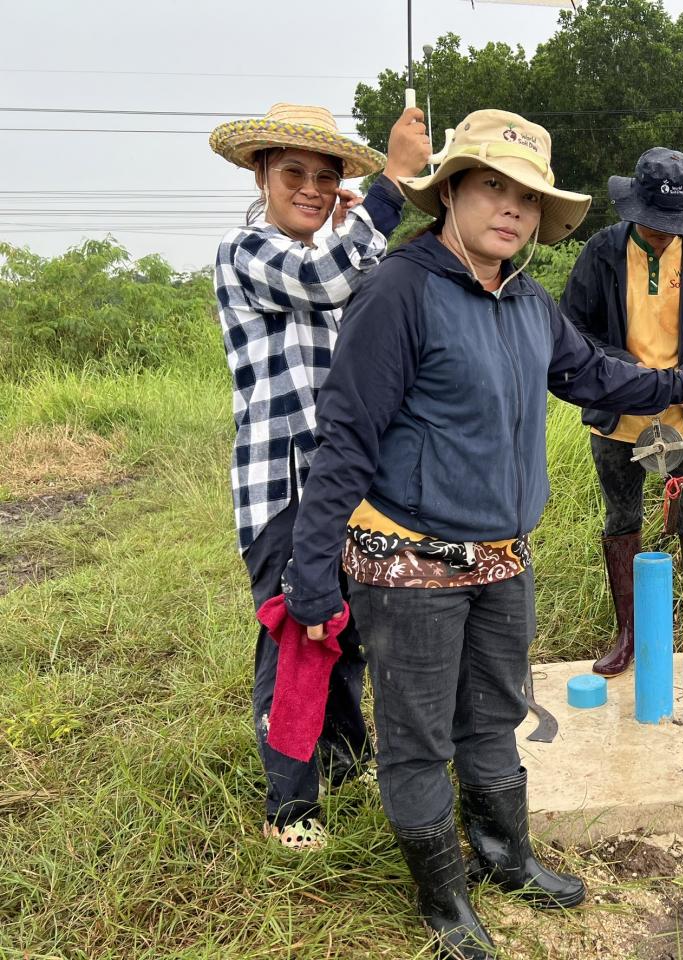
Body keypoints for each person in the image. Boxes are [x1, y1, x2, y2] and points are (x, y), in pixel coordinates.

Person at [279, 110, 683, 958]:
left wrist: (682, 382)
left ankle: (504, 856)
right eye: (493, 186)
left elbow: (590, 374)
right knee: (417, 738)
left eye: (528, 196)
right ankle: (443, 898)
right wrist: (310, 575)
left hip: (502, 557)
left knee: (494, 716)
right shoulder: (399, 290)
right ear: (450, 191)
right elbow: (346, 438)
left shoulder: (526, 300)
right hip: (407, 563)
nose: (513, 208)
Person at [210, 101, 431, 849]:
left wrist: (349, 226)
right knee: (295, 636)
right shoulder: (246, 250)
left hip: (343, 486)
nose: (310, 187)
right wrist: (390, 186)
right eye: (293, 173)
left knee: (344, 632)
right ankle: (290, 805)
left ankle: (342, 760)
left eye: (325, 176)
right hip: (284, 488)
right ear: (261, 177)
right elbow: (325, 278)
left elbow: (357, 293)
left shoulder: (329, 255)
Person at [560, 147, 683, 686]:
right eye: (655, 223)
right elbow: (574, 328)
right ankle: (629, 637)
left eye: (675, 225)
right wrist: (625, 370)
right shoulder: (602, 252)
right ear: (634, 209)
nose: (665, 234)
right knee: (621, 519)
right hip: (617, 412)